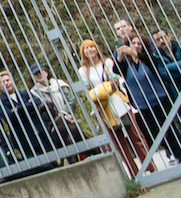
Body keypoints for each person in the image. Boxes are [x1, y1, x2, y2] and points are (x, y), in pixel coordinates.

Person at [78, 38, 149, 177]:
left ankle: (150, 167)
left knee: (135, 136)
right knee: (119, 142)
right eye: (86, 48)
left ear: (97, 48)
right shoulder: (83, 70)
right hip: (102, 107)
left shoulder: (107, 62)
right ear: (83, 52)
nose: (89, 50)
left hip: (118, 103)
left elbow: (115, 80)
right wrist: (103, 90)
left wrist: (100, 90)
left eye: (92, 47)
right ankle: (134, 174)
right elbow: (87, 91)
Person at [112, 21, 181, 162]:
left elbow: (151, 62)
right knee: (154, 131)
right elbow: (116, 70)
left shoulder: (148, 58)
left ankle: (179, 154)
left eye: (139, 44)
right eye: (133, 43)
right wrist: (119, 57)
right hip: (142, 103)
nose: (136, 46)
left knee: (170, 129)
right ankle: (169, 153)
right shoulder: (127, 63)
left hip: (160, 99)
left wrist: (135, 53)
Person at [0, 70, 59, 164]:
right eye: (3, 82)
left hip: (39, 133)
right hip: (23, 140)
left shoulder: (25, 93)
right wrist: (28, 106)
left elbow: (37, 102)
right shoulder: (0, 104)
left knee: (52, 160)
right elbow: (10, 117)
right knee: (36, 164)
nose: (6, 83)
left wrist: (17, 109)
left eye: (7, 80)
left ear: (12, 81)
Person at [28, 62, 84, 153]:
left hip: (68, 117)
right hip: (52, 125)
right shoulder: (33, 93)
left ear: (46, 72)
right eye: (35, 74)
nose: (39, 75)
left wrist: (66, 113)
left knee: (78, 139)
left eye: (40, 72)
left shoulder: (59, 84)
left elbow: (70, 100)